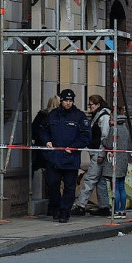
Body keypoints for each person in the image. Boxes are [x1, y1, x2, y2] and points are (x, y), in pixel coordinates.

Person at [34, 89, 90, 223]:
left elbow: (85, 136)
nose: (68, 103)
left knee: (70, 187)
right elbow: (42, 130)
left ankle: (64, 212)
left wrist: (74, 147)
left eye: (70, 101)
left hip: (71, 158)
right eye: (66, 101)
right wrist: (46, 141)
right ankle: (57, 208)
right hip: (54, 158)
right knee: (53, 185)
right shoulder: (53, 115)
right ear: (61, 101)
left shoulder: (79, 116)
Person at [70, 95, 114, 216]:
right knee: (100, 181)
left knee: (90, 179)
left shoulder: (103, 117)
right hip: (96, 151)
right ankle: (104, 206)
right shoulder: (100, 115)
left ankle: (80, 205)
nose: (89, 107)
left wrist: (101, 154)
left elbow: (104, 137)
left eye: (91, 105)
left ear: (98, 104)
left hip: (98, 153)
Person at [30, 95, 60, 217]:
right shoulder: (58, 117)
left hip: (41, 151)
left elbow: (33, 131)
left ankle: (51, 207)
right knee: (54, 182)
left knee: (50, 180)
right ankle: (53, 207)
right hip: (53, 153)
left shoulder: (41, 115)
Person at [108, 113, 132, 219]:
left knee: (115, 187)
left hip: (115, 160)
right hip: (123, 160)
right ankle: (122, 210)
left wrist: (104, 140)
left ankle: (116, 210)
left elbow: (109, 143)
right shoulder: (125, 129)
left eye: (110, 118)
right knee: (122, 187)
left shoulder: (114, 130)